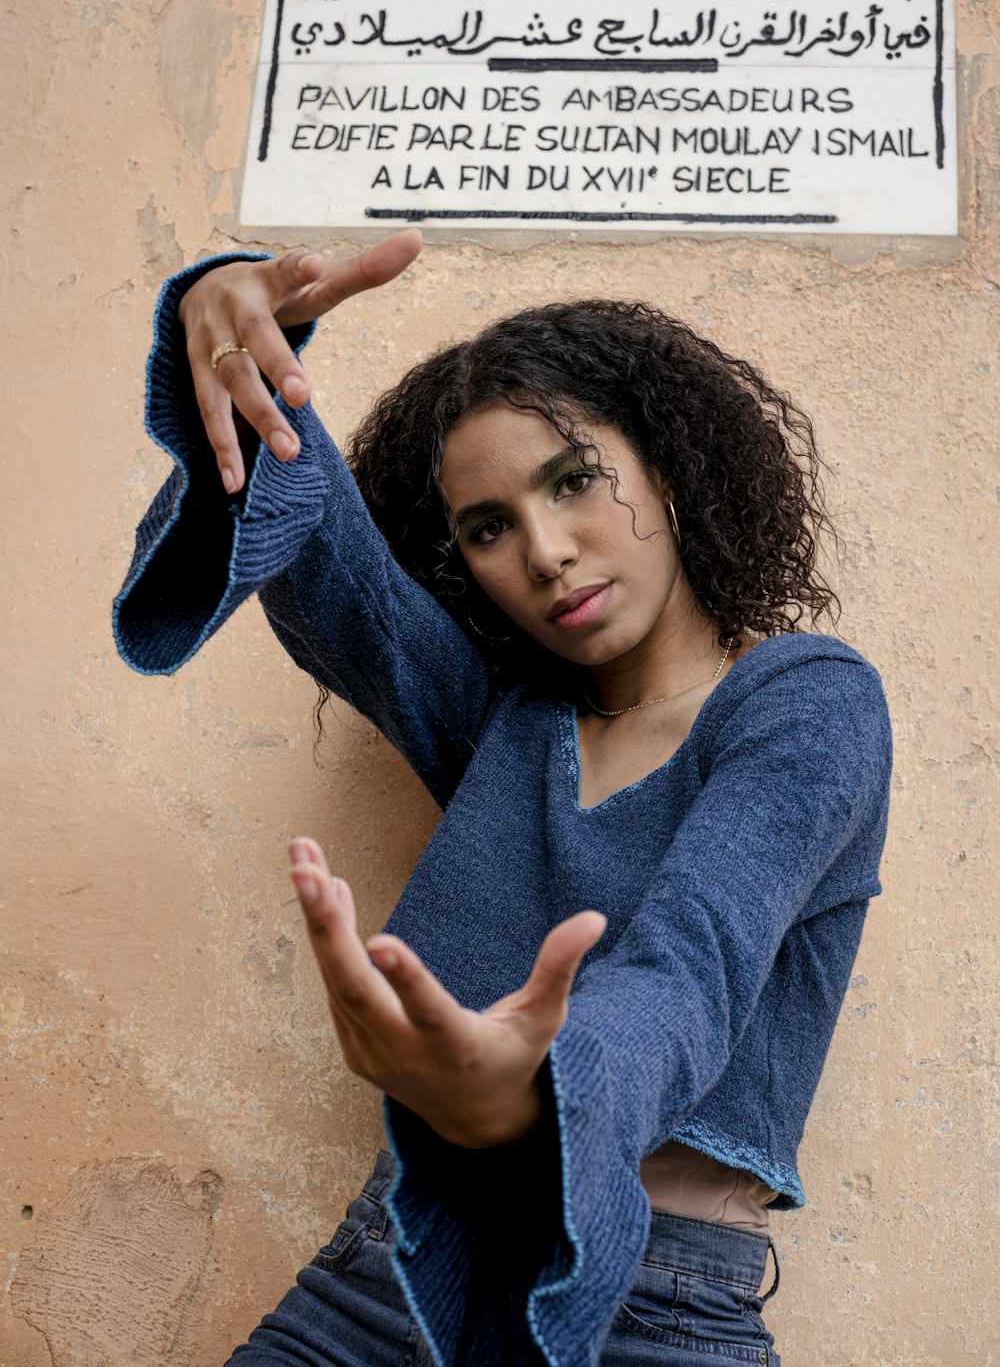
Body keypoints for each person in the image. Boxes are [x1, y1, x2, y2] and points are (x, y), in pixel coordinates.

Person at [114, 231, 892, 1367]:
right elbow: (333, 562)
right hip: (387, 1281)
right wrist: (227, 329)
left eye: (573, 480)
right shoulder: (508, 719)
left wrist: (539, 1091)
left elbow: (691, 968)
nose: (545, 551)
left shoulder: (804, 700)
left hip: (657, 1308)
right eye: (487, 527)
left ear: (668, 463)